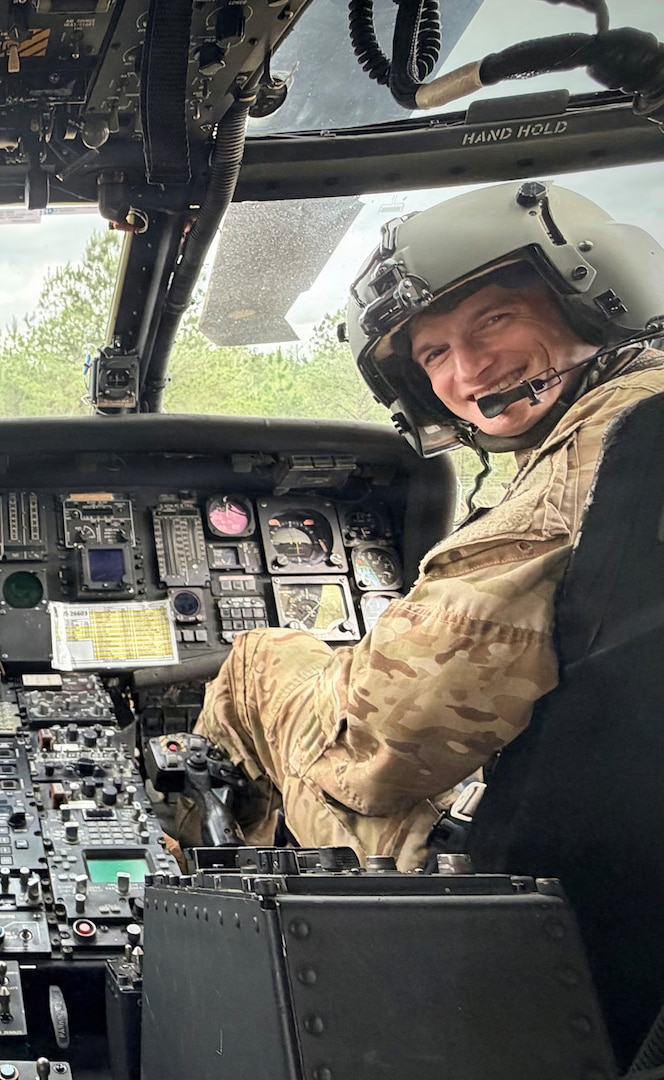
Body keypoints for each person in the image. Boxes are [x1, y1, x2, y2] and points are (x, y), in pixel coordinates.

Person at [185, 181, 664, 869]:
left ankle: (184, 875)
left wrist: (330, 677)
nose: (468, 371)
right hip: (617, 809)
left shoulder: (596, 461)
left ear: (589, 297)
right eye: (434, 354)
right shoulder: (638, 418)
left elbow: (379, 748)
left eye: (495, 319)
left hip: (520, 873)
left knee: (258, 660)